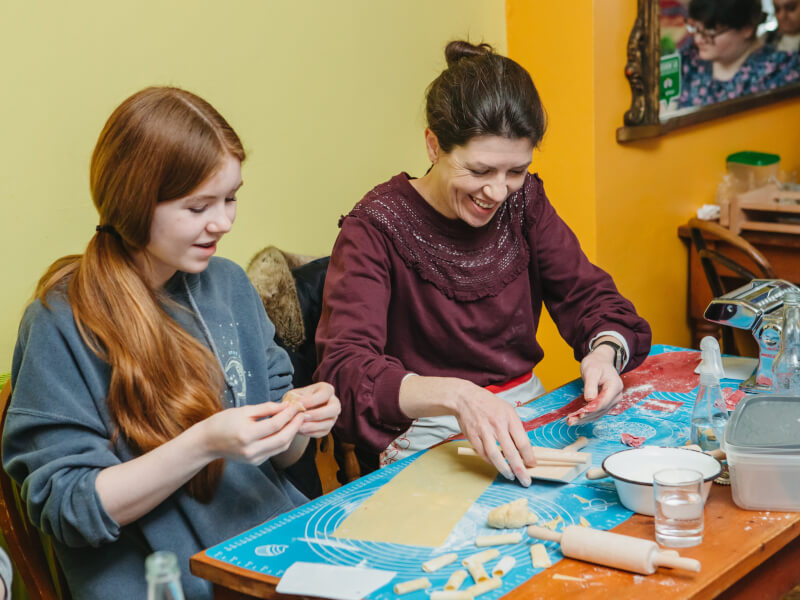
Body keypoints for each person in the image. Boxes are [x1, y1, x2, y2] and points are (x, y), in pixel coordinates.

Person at [1, 87, 340, 600]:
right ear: (135, 204)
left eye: (231, 198)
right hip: (166, 584)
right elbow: (67, 508)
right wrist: (204, 443)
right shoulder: (60, 320)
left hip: (273, 561)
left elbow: (283, 458)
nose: (223, 222)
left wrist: (300, 419)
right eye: (198, 206)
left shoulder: (228, 284)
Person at [315, 41, 651, 486]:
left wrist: (604, 354)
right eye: (479, 171)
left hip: (527, 414)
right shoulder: (376, 229)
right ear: (434, 145)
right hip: (428, 431)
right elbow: (345, 372)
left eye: (515, 171)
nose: (498, 191)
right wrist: (458, 396)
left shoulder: (524, 204)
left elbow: (591, 297)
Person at [678, 0, 799, 108]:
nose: (698, 39)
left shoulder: (780, 72)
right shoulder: (690, 61)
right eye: (696, 29)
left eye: (711, 31)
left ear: (746, 29)